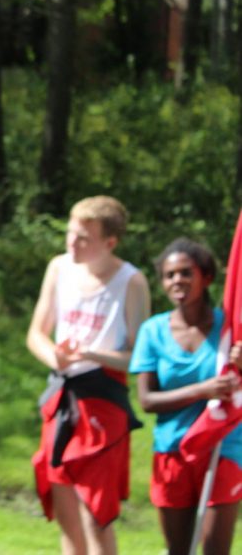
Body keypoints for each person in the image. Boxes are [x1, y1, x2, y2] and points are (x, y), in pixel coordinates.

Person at [26, 195, 150, 555]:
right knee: (66, 515)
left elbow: (138, 357)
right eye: (70, 233)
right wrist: (56, 358)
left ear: (109, 243)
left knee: (96, 515)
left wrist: (91, 353)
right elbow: (36, 333)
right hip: (61, 395)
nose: (72, 243)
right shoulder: (59, 268)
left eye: (84, 237)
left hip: (103, 402)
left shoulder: (132, 281)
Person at [129, 238, 242, 555]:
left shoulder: (231, 328)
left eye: (186, 272)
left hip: (224, 447)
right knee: (179, 549)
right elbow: (148, 400)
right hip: (173, 449)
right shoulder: (153, 331)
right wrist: (202, 390)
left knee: (215, 550)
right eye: (169, 274)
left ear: (206, 277)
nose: (177, 280)